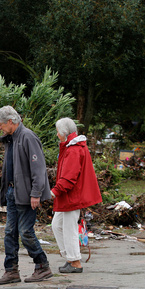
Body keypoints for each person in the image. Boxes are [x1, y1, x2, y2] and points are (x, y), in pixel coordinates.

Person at [0, 106, 53, 285]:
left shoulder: (27, 137)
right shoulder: (11, 139)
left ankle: (42, 266)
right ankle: (11, 271)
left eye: (1, 125)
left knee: (26, 232)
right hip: (13, 192)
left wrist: (36, 193)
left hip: (26, 194)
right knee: (10, 232)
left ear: (11, 122)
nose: (0, 128)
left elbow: (39, 168)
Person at [50, 117, 102, 273]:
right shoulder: (75, 147)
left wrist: (54, 192)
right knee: (58, 225)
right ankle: (71, 258)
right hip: (71, 195)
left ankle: (74, 261)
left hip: (71, 196)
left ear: (64, 133)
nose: (57, 134)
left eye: (58, 131)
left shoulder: (73, 149)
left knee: (68, 228)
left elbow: (68, 178)